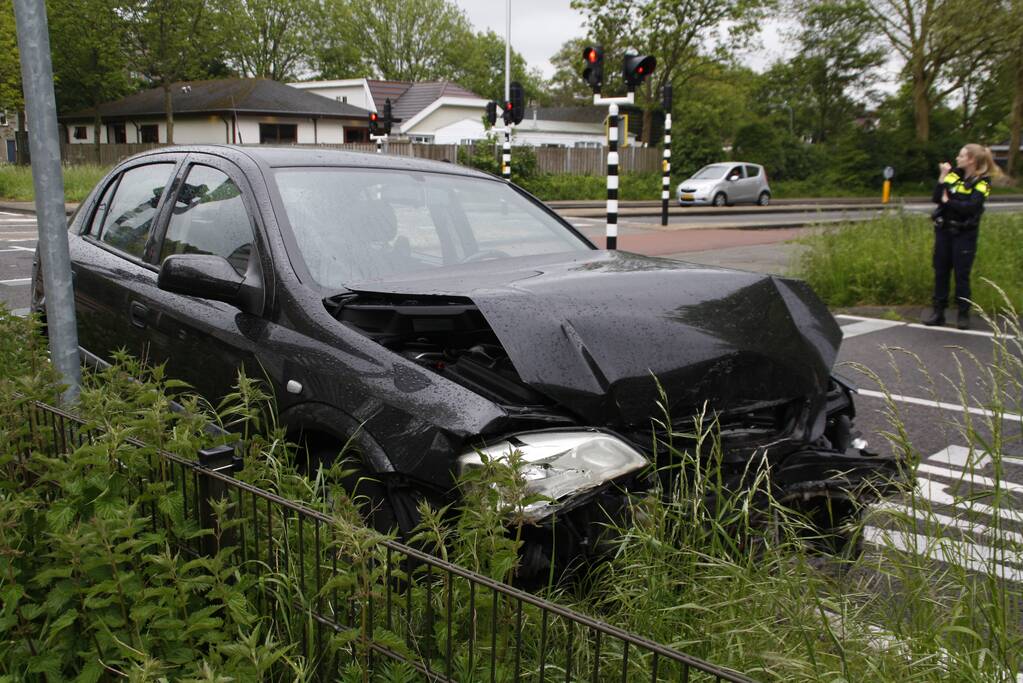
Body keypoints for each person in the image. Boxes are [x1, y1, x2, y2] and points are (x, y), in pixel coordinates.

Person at [923, 144, 997, 330]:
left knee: (961, 274)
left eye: (961, 155)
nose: (957, 158)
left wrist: (950, 201)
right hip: (944, 231)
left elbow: (972, 207)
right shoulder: (953, 175)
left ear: (971, 159)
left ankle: (963, 314)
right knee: (940, 271)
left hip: (965, 234)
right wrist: (942, 177)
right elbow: (937, 197)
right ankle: (938, 312)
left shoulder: (984, 182)